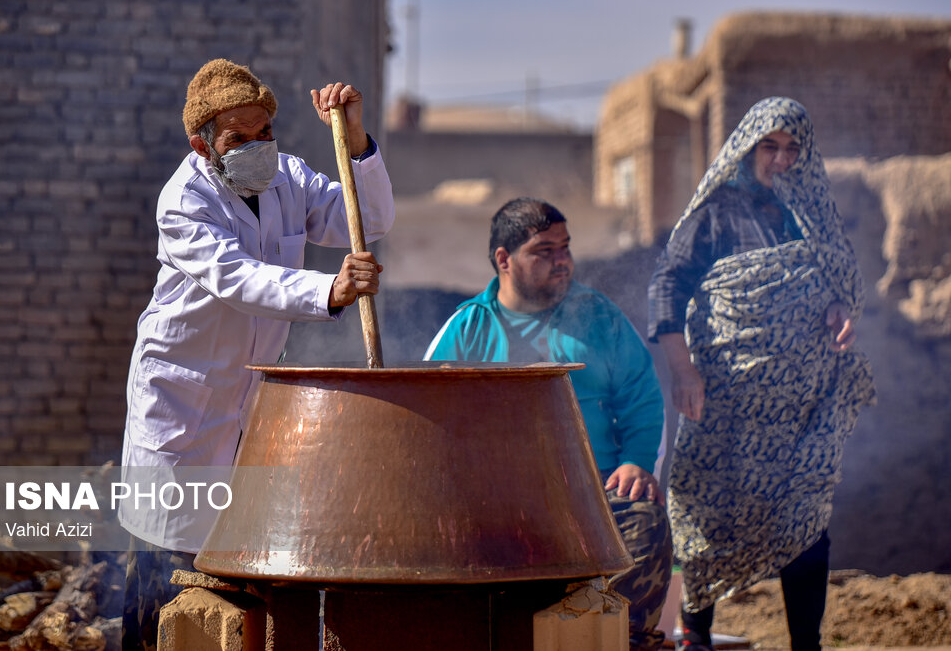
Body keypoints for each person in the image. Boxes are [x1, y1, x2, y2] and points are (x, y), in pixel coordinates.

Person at [119, 58, 394, 650]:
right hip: (182, 400)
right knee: (165, 583)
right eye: (238, 139)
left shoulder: (289, 177)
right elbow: (236, 278)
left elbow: (366, 218)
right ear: (203, 144)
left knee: (236, 582)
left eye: (264, 132)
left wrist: (354, 139)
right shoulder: (184, 199)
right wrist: (328, 289)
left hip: (250, 403)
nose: (257, 146)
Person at [647, 97, 875, 651]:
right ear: (747, 148)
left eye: (793, 148)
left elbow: (837, 284)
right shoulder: (715, 213)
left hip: (803, 405)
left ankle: (806, 644)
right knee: (703, 516)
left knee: (805, 516)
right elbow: (667, 288)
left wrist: (839, 311)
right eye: (769, 146)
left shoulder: (812, 213)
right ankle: (694, 638)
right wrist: (682, 369)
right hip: (723, 401)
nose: (780, 159)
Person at [425, 197, 673, 651]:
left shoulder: (600, 317)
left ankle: (625, 641)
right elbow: (427, 416)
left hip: (594, 492)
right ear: (504, 259)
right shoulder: (466, 328)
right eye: (544, 251)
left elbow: (643, 397)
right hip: (496, 501)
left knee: (646, 519)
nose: (562, 261)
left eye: (565, 248)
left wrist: (637, 462)